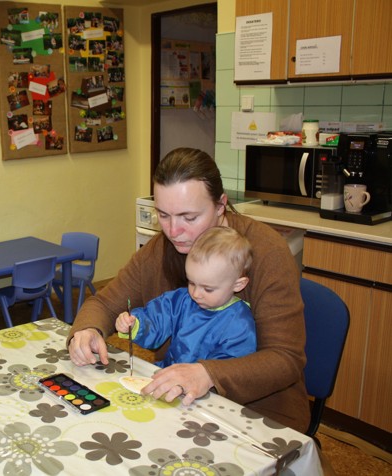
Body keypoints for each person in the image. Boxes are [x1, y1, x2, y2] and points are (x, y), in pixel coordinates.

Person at [67, 148, 310, 434]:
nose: (173, 231)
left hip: (259, 413)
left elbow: (285, 358)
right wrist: (87, 330)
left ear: (220, 206)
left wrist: (207, 373)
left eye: (189, 217)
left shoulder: (267, 253)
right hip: (180, 403)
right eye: (163, 215)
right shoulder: (160, 249)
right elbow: (105, 304)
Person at [115, 226, 256, 369]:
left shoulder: (239, 323)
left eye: (208, 289)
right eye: (192, 283)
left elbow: (230, 368)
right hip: (169, 371)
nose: (196, 294)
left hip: (204, 382)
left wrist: (203, 375)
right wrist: (135, 324)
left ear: (238, 285)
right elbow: (156, 319)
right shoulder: (181, 300)